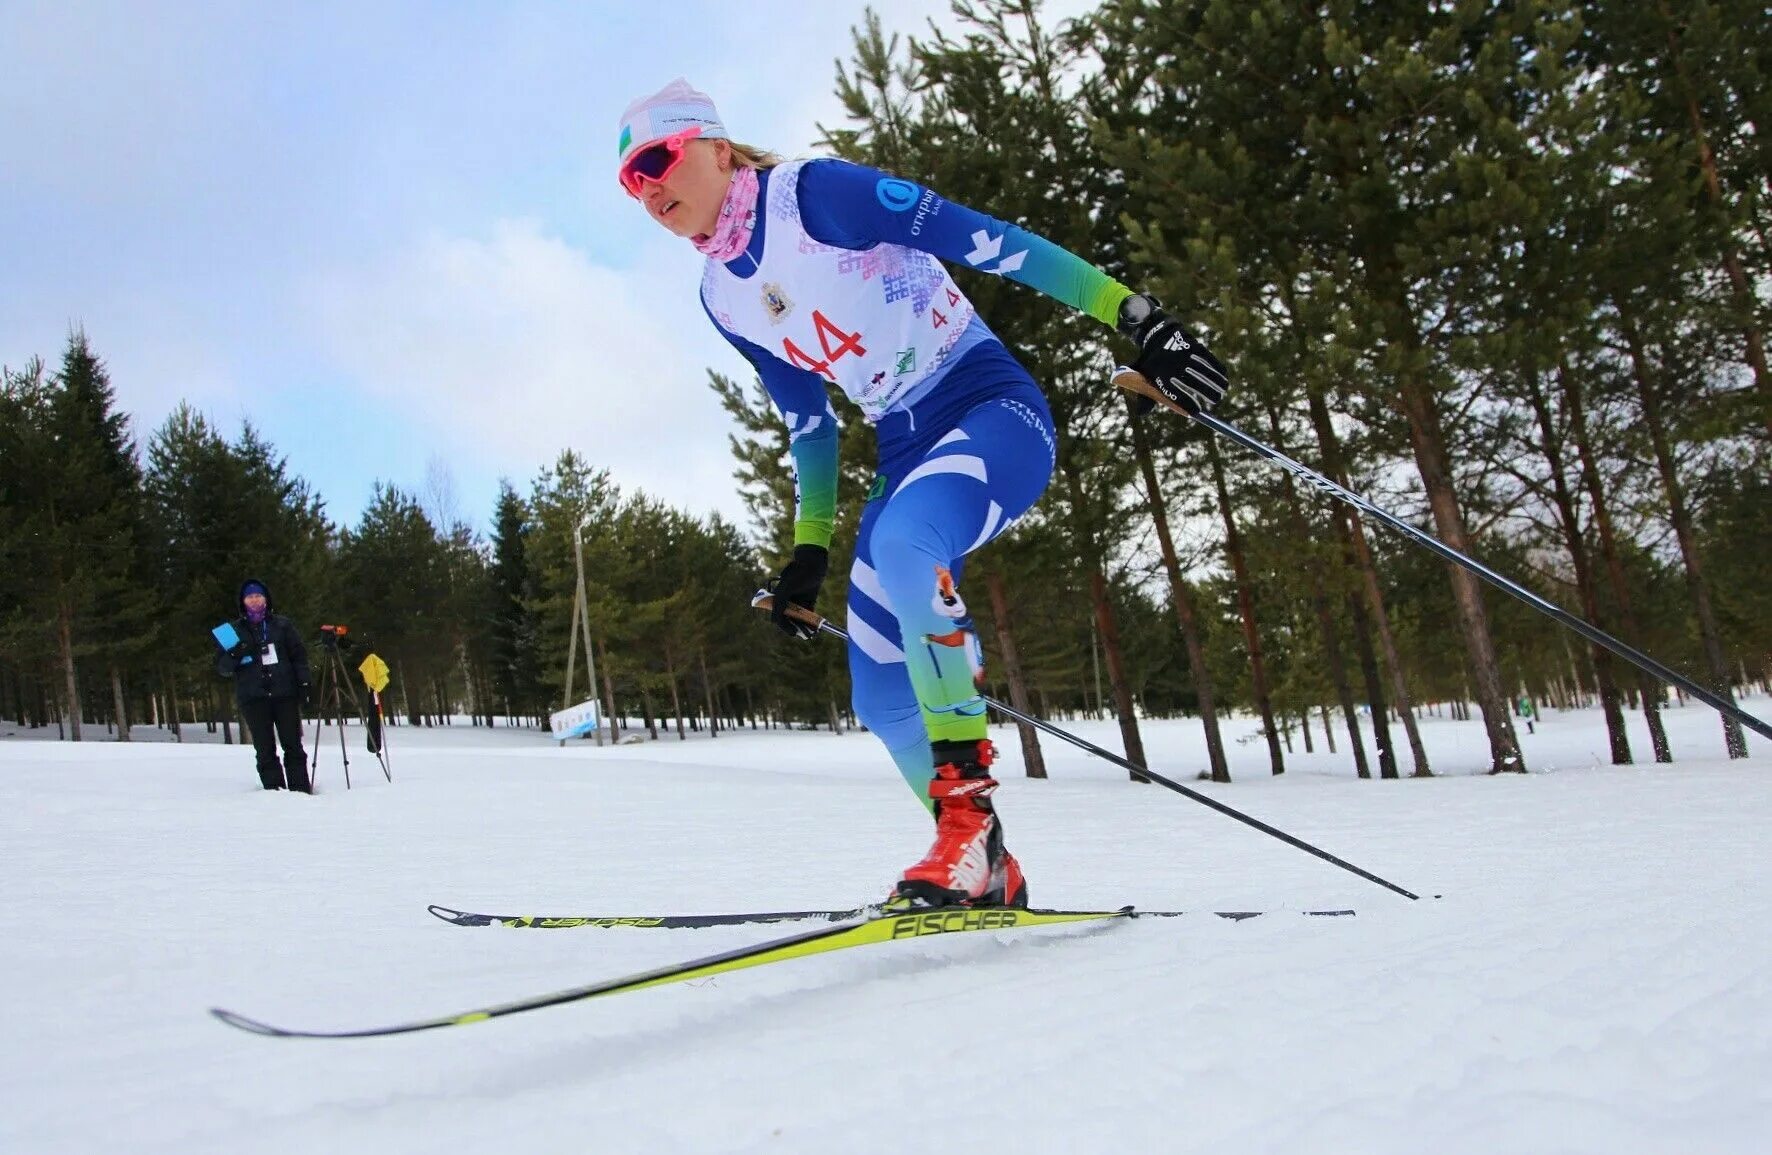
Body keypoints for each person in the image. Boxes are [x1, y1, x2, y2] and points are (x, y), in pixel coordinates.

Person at [617, 79, 1228, 909]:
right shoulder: (722, 296)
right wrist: (808, 552)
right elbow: (809, 426)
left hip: (989, 409)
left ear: (718, 149)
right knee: (878, 693)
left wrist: (1132, 312)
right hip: (903, 449)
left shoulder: (816, 196)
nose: (648, 187)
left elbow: (985, 239)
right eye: (631, 180)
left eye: (658, 159)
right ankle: (990, 864)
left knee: (907, 546)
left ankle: (966, 829)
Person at [215, 578, 313, 793]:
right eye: (250, 596)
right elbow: (223, 668)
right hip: (253, 697)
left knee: (293, 745)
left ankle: (301, 791)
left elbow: (298, 656)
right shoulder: (233, 630)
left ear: (266, 599)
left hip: (284, 693)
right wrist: (235, 653)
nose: (255, 600)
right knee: (264, 749)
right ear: (243, 601)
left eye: (258, 595)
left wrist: (304, 683)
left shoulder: (282, 625)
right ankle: (273, 792)